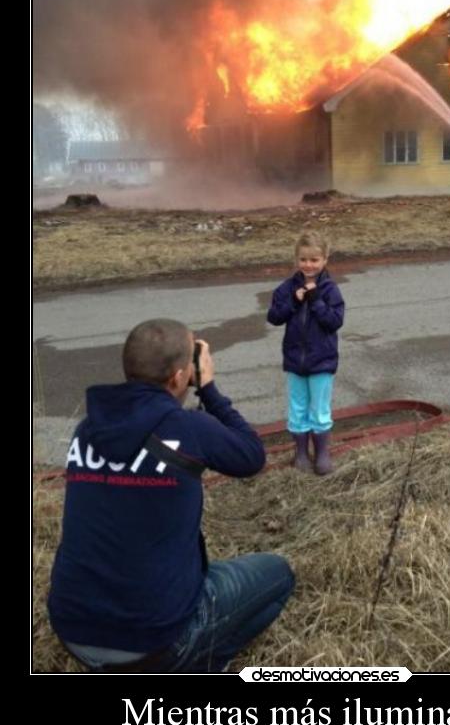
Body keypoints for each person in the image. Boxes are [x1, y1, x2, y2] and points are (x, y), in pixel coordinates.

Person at [47, 318, 295, 673]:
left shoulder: (87, 430)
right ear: (180, 377)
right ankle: (201, 662)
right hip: (155, 642)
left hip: (73, 630)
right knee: (279, 574)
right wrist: (208, 388)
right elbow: (251, 456)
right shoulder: (188, 429)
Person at [267, 230, 345, 476]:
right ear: (296, 260)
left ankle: (322, 453)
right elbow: (274, 316)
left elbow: (335, 321)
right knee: (297, 407)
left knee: (320, 409)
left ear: (325, 260)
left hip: (321, 361)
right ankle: (301, 452)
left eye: (314, 260)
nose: (308, 265)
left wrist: (316, 301)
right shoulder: (287, 288)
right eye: (303, 259)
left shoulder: (330, 290)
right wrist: (294, 301)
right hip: (295, 362)